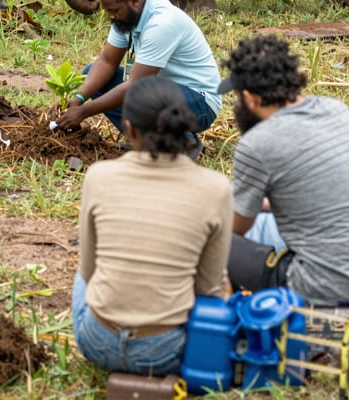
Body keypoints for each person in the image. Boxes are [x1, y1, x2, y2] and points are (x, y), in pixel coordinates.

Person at [72, 76, 233, 376]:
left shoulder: (99, 176)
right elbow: (208, 287)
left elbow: (90, 271)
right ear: (185, 126)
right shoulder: (216, 188)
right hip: (166, 352)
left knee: (81, 277)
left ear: (128, 128)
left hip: (96, 342)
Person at [219, 34, 349, 305]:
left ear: (250, 98)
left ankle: (234, 323)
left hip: (323, 288)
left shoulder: (256, 143)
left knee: (211, 238)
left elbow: (235, 227)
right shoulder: (337, 111)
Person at [55, 0, 221, 155]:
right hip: (163, 90)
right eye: (107, 11)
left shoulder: (162, 23)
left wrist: (84, 112)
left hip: (199, 101)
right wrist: (78, 98)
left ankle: (183, 143)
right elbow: (108, 61)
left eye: (113, 11)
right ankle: (147, 139)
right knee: (91, 72)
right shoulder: (125, 15)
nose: (110, 16)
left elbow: (135, 85)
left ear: (134, 1)